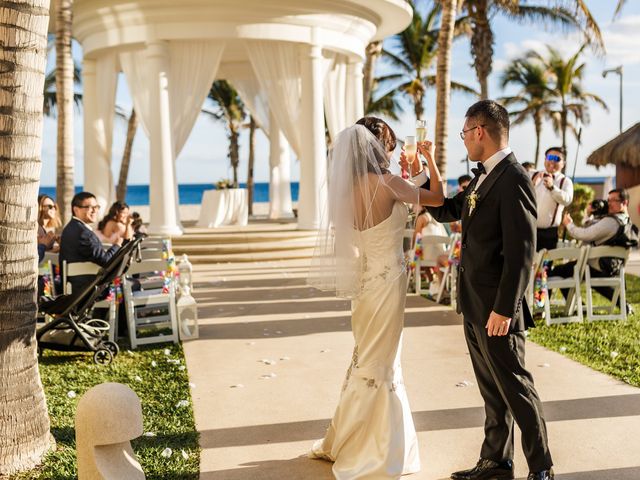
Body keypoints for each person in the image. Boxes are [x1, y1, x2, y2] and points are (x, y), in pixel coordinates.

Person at [402, 100, 554, 480]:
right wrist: (423, 174)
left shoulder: (514, 178)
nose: (464, 141)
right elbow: (448, 209)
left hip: (497, 309)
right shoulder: (485, 177)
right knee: (491, 390)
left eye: (465, 133)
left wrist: (505, 308)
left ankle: (542, 468)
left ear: (480, 132)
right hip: (474, 304)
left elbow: (521, 253)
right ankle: (496, 462)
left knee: (516, 388)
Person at [307, 116, 444, 478]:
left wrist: (410, 174)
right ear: (376, 147)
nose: (391, 150)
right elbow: (437, 197)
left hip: (364, 284)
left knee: (366, 357)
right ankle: (377, 449)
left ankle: (349, 437)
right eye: (389, 144)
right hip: (388, 283)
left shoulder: (345, 191)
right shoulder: (388, 183)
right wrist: (428, 161)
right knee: (384, 363)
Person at [553, 188, 637, 313]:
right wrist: (590, 215)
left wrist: (568, 224)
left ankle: (575, 307)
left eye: (614, 200)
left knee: (557, 271)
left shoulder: (610, 222)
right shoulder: (627, 222)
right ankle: (621, 304)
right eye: (608, 200)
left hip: (597, 267)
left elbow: (584, 234)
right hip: (612, 267)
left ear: (624, 203)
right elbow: (593, 227)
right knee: (580, 271)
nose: (609, 203)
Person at [59, 192, 127, 294]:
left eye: (96, 207)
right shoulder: (83, 233)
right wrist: (117, 245)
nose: (94, 210)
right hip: (88, 290)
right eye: (89, 207)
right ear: (76, 210)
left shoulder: (70, 228)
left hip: (77, 286)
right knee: (130, 285)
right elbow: (106, 261)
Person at [530, 148, 573, 251]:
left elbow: (567, 200)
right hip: (528, 229)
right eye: (550, 157)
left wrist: (552, 188)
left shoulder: (565, 181)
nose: (552, 161)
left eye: (557, 159)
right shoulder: (532, 175)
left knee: (545, 265)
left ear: (563, 163)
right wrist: (532, 184)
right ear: (545, 160)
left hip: (549, 234)